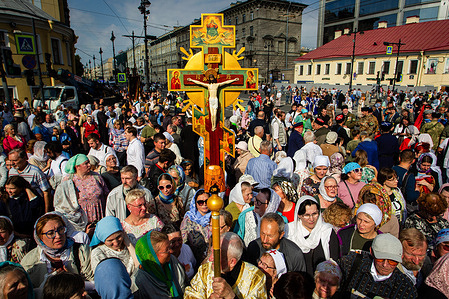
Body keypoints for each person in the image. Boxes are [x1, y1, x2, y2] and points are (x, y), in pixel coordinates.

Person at [185, 232, 267, 299]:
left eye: (216, 256)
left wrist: (230, 296)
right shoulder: (204, 271)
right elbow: (190, 295)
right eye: (211, 252)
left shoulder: (255, 278)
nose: (210, 259)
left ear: (232, 262)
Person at [21, 213, 94, 288]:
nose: (58, 236)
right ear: (40, 237)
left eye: (61, 229)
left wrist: (72, 281)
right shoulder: (30, 261)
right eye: (50, 233)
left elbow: (94, 284)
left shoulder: (82, 251)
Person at [337, 233, 417, 299]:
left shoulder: (405, 288)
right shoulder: (352, 263)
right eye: (380, 259)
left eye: (392, 261)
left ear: (401, 258)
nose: (385, 265)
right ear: (371, 252)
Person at [287, 195, 339, 275]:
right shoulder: (290, 232)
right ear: (299, 215)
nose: (311, 219)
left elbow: (334, 260)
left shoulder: (327, 231)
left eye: (314, 214)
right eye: (307, 215)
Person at [54, 154, 109, 229]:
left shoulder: (96, 177)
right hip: (81, 221)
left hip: (99, 216)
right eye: (86, 163)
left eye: (89, 162)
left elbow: (106, 193)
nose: (89, 165)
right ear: (77, 167)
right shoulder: (69, 180)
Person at [134, 230, 186, 298]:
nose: (170, 251)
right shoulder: (139, 280)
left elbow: (184, 286)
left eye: (169, 247)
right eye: (166, 250)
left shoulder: (172, 261)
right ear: (152, 256)